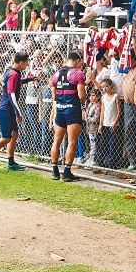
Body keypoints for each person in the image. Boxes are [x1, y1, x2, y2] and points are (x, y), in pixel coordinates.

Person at [50, 51, 87, 182]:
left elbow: (54, 96)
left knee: (57, 140)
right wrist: (82, 101)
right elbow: (82, 96)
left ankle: (55, 171)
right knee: (72, 142)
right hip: (72, 110)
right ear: (77, 61)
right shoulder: (78, 74)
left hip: (60, 110)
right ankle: (66, 172)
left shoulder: (56, 74)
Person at [98, 78, 121, 168]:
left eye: (106, 86)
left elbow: (119, 111)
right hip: (105, 124)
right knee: (103, 143)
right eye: (103, 87)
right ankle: (101, 161)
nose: (105, 89)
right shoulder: (103, 97)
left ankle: (112, 162)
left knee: (113, 144)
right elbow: (102, 111)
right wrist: (100, 124)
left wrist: (115, 122)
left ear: (111, 87)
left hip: (113, 124)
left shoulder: (115, 96)